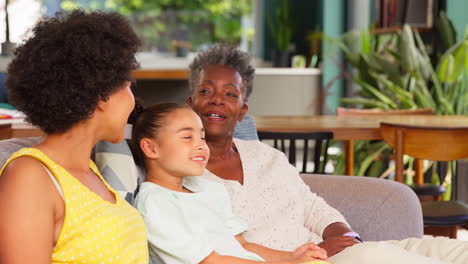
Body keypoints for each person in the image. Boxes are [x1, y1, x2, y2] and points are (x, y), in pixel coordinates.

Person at [186, 43, 468, 264]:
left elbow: (312, 205)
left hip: (340, 254)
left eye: (231, 94)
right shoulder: (184, 174)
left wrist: (345, 235)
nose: (217, 99)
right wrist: (311, 253)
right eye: (206, 90)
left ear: (242, 112)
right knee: (371, 257)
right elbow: (223, 251)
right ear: (191, 103)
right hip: (305, 261)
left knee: (450, 250)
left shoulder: (266, 156)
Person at [0, 10, 149, 263]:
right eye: (127, 86)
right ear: (101, 93)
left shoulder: (91, 172)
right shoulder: (29, 177)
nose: (133, 102)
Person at [130, 102, 330, 264]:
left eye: (202, 137)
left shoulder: (207, 189)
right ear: (150, 148)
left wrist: (290, 258)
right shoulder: (155, 202)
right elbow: (210, 261)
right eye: (187, 137)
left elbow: (243, 246)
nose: (200, 145)